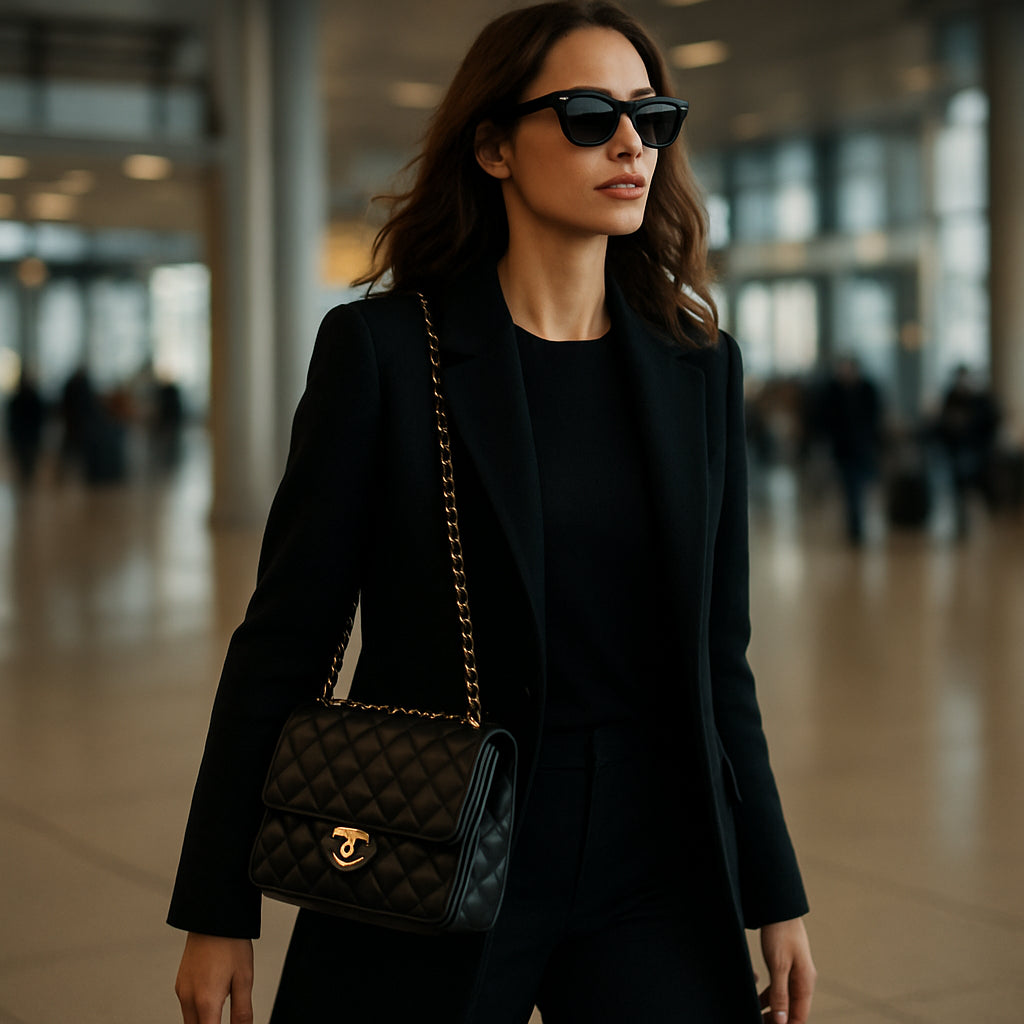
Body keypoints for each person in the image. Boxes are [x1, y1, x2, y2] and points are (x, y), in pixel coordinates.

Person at [169, 3, 816, 1022]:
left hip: (653, 857)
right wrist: (220, 904)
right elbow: (286, 640)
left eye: (651, 118)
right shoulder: (385, 354)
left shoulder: (696, 369)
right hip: (442, 839)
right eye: (587, 113)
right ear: (493, 146)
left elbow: (716, 661)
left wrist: (771, 887)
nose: (628, 143)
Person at [819, 356, 882, 545]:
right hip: (844, 449)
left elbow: (875, 416)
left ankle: (857, 525)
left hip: (863, 447)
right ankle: (855, 526)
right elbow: (824, 417)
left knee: (859, 488)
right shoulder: (833, 391)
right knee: (850, 488)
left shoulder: (868, 389)